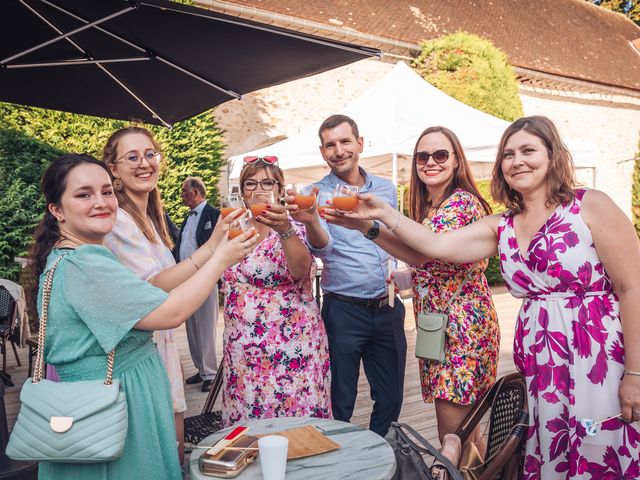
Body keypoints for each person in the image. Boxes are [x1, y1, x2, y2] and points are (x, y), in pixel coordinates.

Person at [348, 116, 640, 478]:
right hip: (542, 360)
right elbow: (435, 245)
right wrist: (378, 218)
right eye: (508, 154)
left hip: (596, 353)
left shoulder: (590, 205)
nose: (517, 160)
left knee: (600, 447)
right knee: (552, 449)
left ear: (552, 155)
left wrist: (635, 373)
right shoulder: (501, 224)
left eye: (528, 150)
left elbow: (633, 287)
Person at [26, 153, 257, 480]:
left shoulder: (79, 255)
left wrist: (212, 245)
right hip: (115, 410)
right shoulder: (85, 265)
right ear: (57, 210)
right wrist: (221, 259)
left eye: (107, 192)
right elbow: (170, 312)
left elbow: (152, 289)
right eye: (84, 194)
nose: (101, 201)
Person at [325, 126, 500, 450]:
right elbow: (430, 259)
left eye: (440, 154)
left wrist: (373, 222)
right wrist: (369, 230)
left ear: (457, 161)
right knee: (468, 438)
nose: (430, 161)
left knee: (453, 438)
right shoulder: (438, 206)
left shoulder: (460, 203)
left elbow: (427, 250)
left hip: (457, 333)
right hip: (449, 327)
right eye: (423, 155)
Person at [288, 114, 406, 437]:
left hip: (387, 308)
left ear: (360, 144)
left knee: (392, 398)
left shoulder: (385, 189)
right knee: (340, 400)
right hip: (343, 311)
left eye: (344, 142)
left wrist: (401, 274)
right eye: (330, 145)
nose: (338, 150)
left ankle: (379, 457)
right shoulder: (315, 194)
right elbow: (322, 250)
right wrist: (311, 221)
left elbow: (396, 238)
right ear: (323, 151)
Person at [101, 126, 216, 461]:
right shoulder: (119, 221)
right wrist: (215, 252)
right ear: (113, 168)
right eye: (132, 157)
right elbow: (151, 287)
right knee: (160, 448)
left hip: (163, 344)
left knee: (172, 442)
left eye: (150, 154)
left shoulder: (150, 218)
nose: (144, 163)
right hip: (140, 351)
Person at [221, 156, 331, 427]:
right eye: (251, 183)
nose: (259, 190)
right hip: (242, 349)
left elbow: (302, 269)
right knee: (247, 425)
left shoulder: (291, 224)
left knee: (295, 423)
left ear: (280, 190)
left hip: (289, 347)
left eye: (268, 182)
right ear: (242, 192)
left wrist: (283, 230)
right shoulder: (235, 226)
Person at [175, 176, 221, 392]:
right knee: (191, 326)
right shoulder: (188, 217)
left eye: (184, 192)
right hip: (186, 280)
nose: (182, 196)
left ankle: (211, 374)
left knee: (206, 325)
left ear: (195, 193)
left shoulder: (214, 215)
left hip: (204, 277)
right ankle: (200, 368)